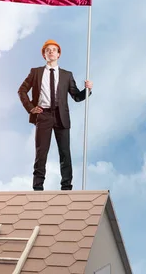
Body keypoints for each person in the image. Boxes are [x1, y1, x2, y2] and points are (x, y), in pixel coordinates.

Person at [18, 39, 92, 191]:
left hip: (61, 116)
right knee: (41, 152)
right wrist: (31, 108)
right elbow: (22, 91)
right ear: (44, 54)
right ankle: (38, 187)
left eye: (54, 50)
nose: (51, 52)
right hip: (43, 115)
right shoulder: (35, 72)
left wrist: (88, 90)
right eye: (48, 50)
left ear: (59, 54)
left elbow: (77, 97)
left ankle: (66, 186)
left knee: (65, 152)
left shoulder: (67, 75)